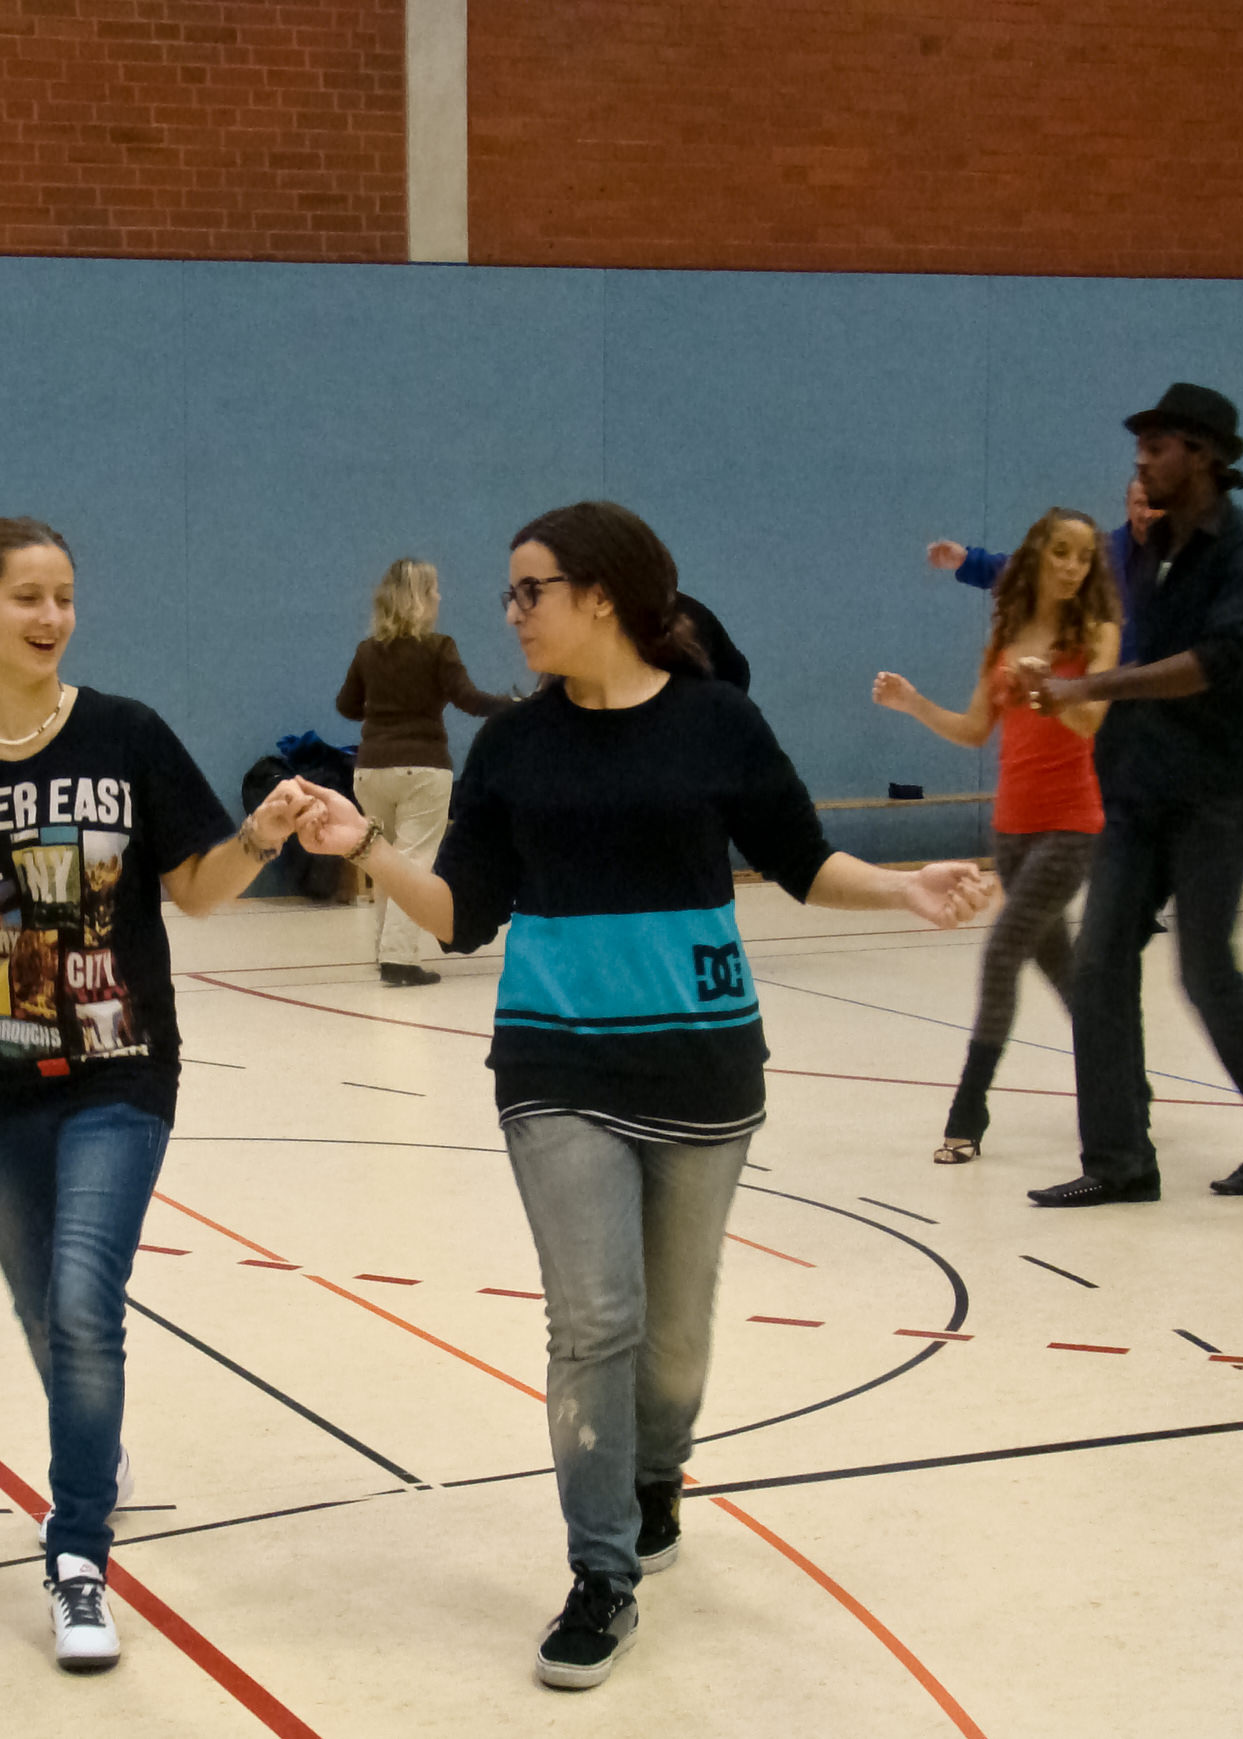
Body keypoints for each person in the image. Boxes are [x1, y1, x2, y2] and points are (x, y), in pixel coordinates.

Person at [292, 501, 990, 1690]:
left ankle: (656, 1468)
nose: (512, 612)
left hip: (701, 1062)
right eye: (509, 592)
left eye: (530, 590)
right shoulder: (513, 746)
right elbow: (462, 914)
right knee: (593, 1321)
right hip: (554, 1066)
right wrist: (366, 846)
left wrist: (906, 887)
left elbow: (799, 858)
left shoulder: (716, 722)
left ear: (602, 595)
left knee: (670, 1338)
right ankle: (598, 1569)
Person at [0, 516, 314, 1675]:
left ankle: (77, 1552)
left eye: (63, 595)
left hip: (121, 1069)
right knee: (48, 1316)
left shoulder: (124, 735)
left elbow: (195, 891)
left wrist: (258, 837)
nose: (50, 616)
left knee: (82, 1303)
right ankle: (93, 1454)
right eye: (25, 597)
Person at [1015, 384, 1243, 1204]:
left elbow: (1211, 664)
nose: (1141, 462)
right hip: (1136, 790)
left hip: (1217, 795)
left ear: (1204, 455)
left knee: (1205, 968)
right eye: (1140, 448)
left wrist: (1091, 687)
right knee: (1098, 965)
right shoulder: (1149, 547)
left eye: (1156, 448)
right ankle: (1118, 1161)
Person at [873, 507, 1122, 1163]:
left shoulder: (1099, 632)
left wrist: (1050, 688)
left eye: (1084, 557)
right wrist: (913, 703)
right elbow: (974, 729)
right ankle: (1127, 1079)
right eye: (1061, 552)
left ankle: (968, 1109)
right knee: (1064, 969)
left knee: (1003, 950)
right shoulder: (1007, 635)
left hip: (1071, 825)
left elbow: (1091, 720)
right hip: (1012, 830)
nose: (1072, 566)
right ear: (1037, 555)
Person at [333, 557, 513, 984]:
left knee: (380, 860)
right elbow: (469, 699)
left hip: (371, 768)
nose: (440, 597)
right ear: (420, 599)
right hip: (423, 766)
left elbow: (346, 705)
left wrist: (383, 708)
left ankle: (385, 950)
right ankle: (399, 958)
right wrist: (512, 707)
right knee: (412, 863)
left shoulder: (367, 651)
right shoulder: (438, 647)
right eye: (434, 590)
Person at [928, 478, 1163, 660]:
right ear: (1127, 504)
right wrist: (968, 561)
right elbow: (1028, 571)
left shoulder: (1181, 557)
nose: (1147, 513)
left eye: (1155, 505)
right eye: (1140, 504)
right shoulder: (1102, 552)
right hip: (1111, 688)